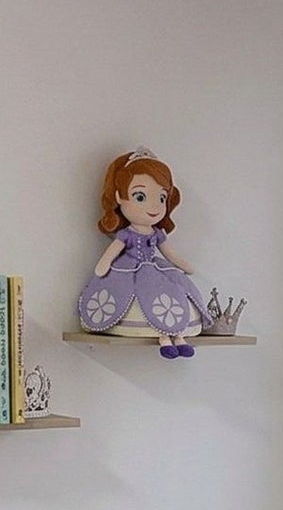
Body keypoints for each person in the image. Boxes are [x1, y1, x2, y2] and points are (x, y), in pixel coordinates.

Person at [76, 149, 211, 356]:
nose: (154, 206)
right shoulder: (126, 235)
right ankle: (164, 338)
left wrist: (184, 266)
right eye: (140, 196)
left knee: (171, 292)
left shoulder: (157, 234)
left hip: (156, 269)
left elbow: (169, 254)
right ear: (119, 197)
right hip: (128, 269)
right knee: (143, 297)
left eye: (161, 197)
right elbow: (109, 255)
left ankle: (178, 337)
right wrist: (102, 267)